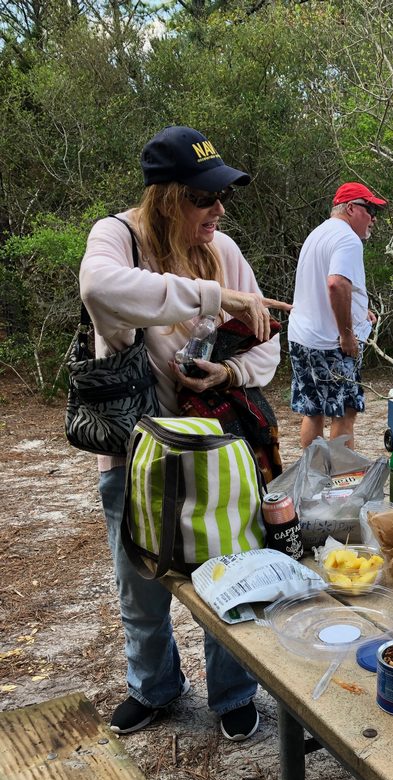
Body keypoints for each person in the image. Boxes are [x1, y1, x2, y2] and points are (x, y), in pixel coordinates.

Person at [79, 126, 282, 741]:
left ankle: (233, 692)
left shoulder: (225, 248)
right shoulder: (117, 237)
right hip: (135, 456)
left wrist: (228, 369)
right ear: (166, 198)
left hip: (219, 452)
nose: (218, 210)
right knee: (141, 585)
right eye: (203, 198)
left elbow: (266, 347)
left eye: (221, 197)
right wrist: (212, 295)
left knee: (233, 574)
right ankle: (154, 687)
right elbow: (100, 289)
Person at [287, 181, 387, 449]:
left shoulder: (318, 233)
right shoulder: (348, 239)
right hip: (331, 343)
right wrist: (347, 334)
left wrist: (358, 310)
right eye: (370, 210)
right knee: (344, 412)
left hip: (302, 337)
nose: (373, 218)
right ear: (352, 208)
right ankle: (343, 487)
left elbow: (321, 286)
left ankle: (315, 481)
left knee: (313, 410)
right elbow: (336, 284)